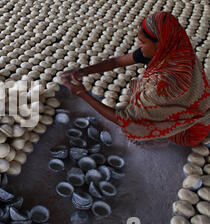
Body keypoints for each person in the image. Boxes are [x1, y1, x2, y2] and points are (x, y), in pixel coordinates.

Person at [60, 12, 210, 146]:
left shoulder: (163, 85)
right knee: (139, 99)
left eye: (143, 42)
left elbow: (123, 120)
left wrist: (82, 94)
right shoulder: (178, 50)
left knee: (135, 130)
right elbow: (117, 62)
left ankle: (160, 138)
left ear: (160, 44)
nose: (139, 46)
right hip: (192, 105)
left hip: (190, 129)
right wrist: (82, 71)